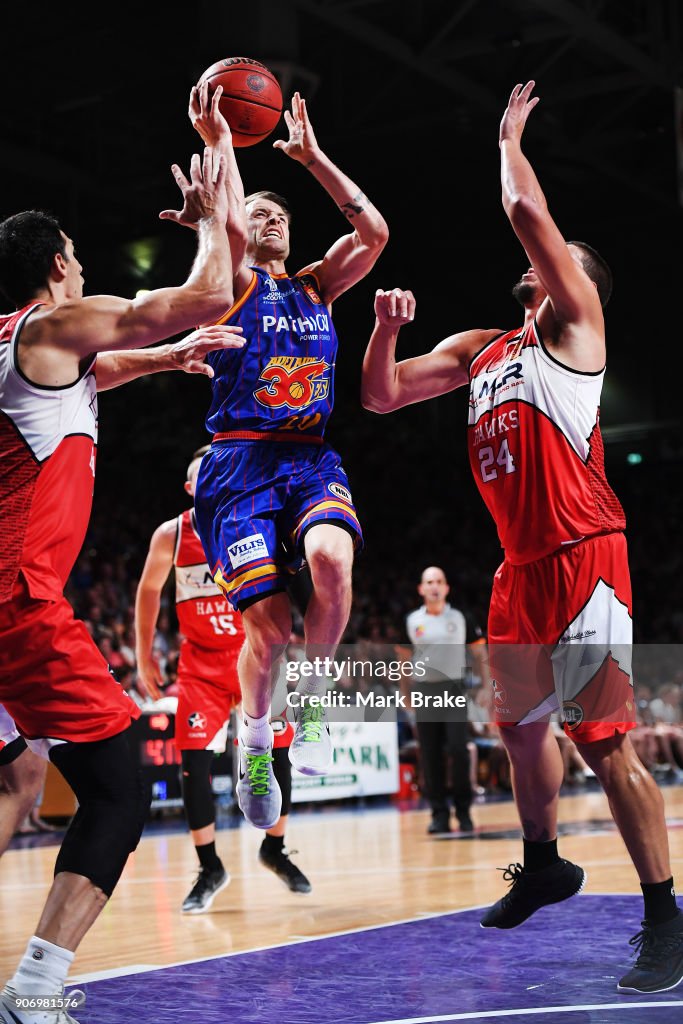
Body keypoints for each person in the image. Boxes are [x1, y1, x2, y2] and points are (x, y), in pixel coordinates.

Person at [360, 81, 683, 994]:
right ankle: (543, 863)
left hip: (586, 559)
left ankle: (665, 915)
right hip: (518, 572)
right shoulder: (479, 350)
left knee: (603, 737)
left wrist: (509, 137)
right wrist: (383, 334)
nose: (543, 255)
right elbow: (380, 397)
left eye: (561, 255)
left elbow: (519, 204)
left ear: (575, 281)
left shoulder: (576, 330)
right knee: (517, 729)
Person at [0, 143, 243, 1023]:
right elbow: (204, 294)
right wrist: (217, 217)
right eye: (79, 258)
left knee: (16, 782)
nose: (86, 269)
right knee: (117, 786)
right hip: (18, 605)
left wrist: (171, 359)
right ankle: (34, 989)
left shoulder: (21, 352)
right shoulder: (47, 327)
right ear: (58, 267)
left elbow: (102, 371)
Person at [187, 83, 389, 829]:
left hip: (306, 458)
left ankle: (311, 698)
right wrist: (221, 142)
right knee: (268, 630)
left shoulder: (316, 288)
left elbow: (371, 234)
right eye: (256, 213)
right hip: (238, 466)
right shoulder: (233, 282)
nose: (267, 219)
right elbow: (231, 228)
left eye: (280, 215)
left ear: (292, 235)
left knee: (333, 562)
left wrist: (313, 158)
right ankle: (253, 739)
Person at [135, 447, 311, 913]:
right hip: (202, 666)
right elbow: (149, 592)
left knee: (279, 751)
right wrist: (143, 654)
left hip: (257, 658)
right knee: (192, 761)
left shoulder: (255, 522)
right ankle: (209, 866)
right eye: (203, 475)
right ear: (193, 487)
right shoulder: (171, 536)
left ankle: (274, 848)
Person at [405, 566, 487, 835]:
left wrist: (486, 685)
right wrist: (406, 695)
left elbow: (480, 653)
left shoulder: (461, 617)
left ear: (446, 587)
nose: (434, 586)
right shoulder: (411, 620)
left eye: (439, 581)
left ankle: (463, 811)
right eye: (429, 582)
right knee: (429, 754)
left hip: (453, 691)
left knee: (459, 750)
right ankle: (439, 813)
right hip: (424, 691)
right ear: (421, 589)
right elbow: (402, 662)